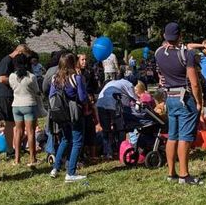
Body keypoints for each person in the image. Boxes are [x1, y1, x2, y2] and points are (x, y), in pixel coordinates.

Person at [155, 22, 203, 185]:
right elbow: (194, 83)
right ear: (180, 36)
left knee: (172, 136)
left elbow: (161, 77)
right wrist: (199, 102)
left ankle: (171, 173)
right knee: (185, 137)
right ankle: (184, 174)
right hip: (185, 97)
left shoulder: (159, 53)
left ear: (164, 36)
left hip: (170, 97)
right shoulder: (186, 54)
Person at [49, 53, 88, 181]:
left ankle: (55, 168)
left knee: (65, 139)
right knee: (77, 141)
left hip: (60, 113)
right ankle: (71, 173)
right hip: (74, 112)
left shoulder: (55, 78)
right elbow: (82, 97)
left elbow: (51, 96)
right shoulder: (75, 78)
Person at [0, 43, 29, 160]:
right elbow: (1, 78)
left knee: (15, 123)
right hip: (6, 95)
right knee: (10, 123)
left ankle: (16, 147)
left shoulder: (9, 60)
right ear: (19, 53)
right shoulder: (7, 61)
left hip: (9, 94)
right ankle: (10, 150)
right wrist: (17, 82)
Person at [8, 53, 41, 168]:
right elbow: (37, 91)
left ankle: (17, 159)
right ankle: (32, 158)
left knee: (18, 132)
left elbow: (12, 87)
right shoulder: (31, 77)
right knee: (30, 132)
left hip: (16, 106)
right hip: (29, 104)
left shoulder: (12, 76)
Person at [95, 77, 138, 159]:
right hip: (113, 105)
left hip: (101, 104)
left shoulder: (114, 82)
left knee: (106, 130)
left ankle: (108, 152)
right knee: (120, 128)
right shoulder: (129, 84)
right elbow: (135, 98)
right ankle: (120, 150)